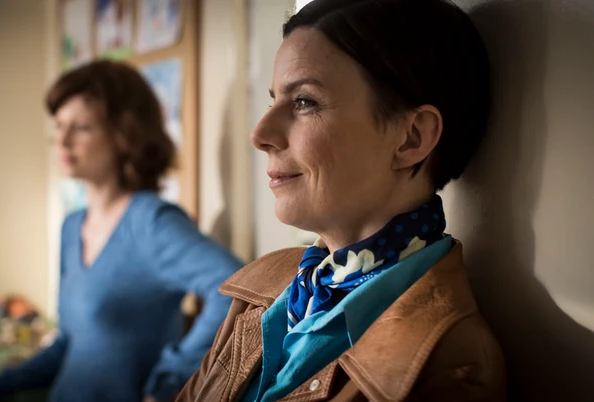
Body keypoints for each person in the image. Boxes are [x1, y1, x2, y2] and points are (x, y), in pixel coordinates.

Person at [177, 0, 506, 401]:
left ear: (411, 138)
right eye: (273, 101)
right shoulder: (260, 290)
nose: (260, 134)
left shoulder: (449, 366)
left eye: (305, 101)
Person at [0, 60, 243, 402]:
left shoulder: (151, 222)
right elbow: (69, 343)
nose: (62, 140)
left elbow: (236, 288)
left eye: (81, 127)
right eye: (58, 126)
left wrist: (168, 381)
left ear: (125, 134)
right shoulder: (71, 226)